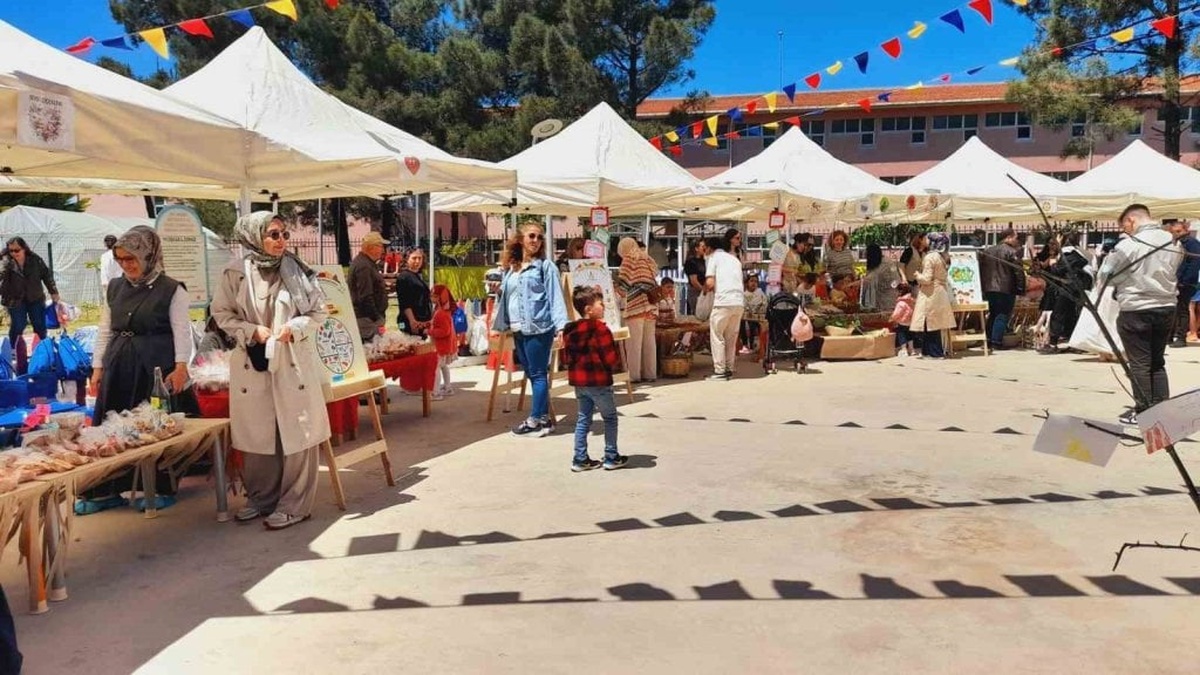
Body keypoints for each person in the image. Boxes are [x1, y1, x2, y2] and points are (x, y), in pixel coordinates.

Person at [212, 212, 331, 531]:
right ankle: (261, 498)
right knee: (258, 433)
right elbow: (221, 314)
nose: (281, 241)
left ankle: (295, 504)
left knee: (298, 431)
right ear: (253, 237)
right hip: (253, 362)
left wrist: (295, 327)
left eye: (284, 234)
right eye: (274, 235)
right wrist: (252, 331)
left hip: (291, 360)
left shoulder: (300, 271)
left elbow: (318, 313)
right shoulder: (235, 273)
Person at [84, 226, 192, 514]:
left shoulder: (172, 289)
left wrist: (181, 366)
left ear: (148, 255)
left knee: (152, 428)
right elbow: (105, 328)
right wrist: (97, 367)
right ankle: (105, 490)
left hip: (154, 367)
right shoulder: (116, 288)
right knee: (110, 427)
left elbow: (182, 331)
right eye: (120, 259)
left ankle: (159, 488)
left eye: (131, 258)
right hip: (118, 364)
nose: (126, 265)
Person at [1098, 205, 1181, 425]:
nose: (1125, 229)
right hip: (1166, 306)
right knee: (1157, 361)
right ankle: (1161, 409)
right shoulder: (1173, 242)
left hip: (1137, 308)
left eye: (1124, 224)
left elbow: (1106, 275)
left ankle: (1143, 411)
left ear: (1132, 220)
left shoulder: (1129, 245)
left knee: (1140, 363)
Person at [493, 222, 569, 437]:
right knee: (530, 372)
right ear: (521, 240)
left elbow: (555, 297)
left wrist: (561, 326)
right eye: (531, 236)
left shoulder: (545, 267)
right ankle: (545, 420)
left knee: (537, 374)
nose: (536, 241)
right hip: (518, 327)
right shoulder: (513, 268)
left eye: (539, 237)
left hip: (539, 327)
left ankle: (535, 420)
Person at [562, 286, 627, 472]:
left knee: (583, 419)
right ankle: (611, 455)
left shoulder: (570, 330)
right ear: (588, 309)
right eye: (600, 303)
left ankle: (580, 458)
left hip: (580, 383)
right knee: (610, 418)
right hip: (599, 382)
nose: (604, 306)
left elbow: (567, 359)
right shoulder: (601, 330)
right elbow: (611, 359)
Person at [0, 236, 59, 348]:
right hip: (14, 300)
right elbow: (1, 273)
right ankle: (14, 349)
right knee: (18, 325)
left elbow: (46, 275)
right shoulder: (6, 261)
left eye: (17, 250)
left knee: (39, 324)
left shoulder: (35, 259)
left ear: (24, 249)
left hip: (35, 297)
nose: (14, 253)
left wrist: (53, 291)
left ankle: (43, 349)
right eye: (11, 250)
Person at [616, 237, 660, 383]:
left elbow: (623, 286)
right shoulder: (647, 258)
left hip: (636, 305)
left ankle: (634, 376)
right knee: (649, 342)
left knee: (634, 344)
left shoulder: (629, 259)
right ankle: (650, 374)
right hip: (652, 304)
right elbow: (655, 275)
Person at [1040, 232, 1091, 354]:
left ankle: (1053, 343)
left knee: (1059, 314)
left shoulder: (1068, 254)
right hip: (1075, 288)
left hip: (1069, 288)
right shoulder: (1077, 253)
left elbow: (1059, 270)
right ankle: (1073, 342)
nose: (1052, 245)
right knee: (1070, 315)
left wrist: (1053, 264)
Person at [979, 229, 1027, 351]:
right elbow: (1019, 272)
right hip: (1006, 288)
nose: (1017, 240)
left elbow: (981, 270)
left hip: (989, 288)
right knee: (1002, 314)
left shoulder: (988, 251)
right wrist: (1021, 289)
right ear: (1008, 237)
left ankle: (989, 340)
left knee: (993, 313)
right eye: (1016, 238)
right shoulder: (1012, 252)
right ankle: (996, 342)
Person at [705, 235, 744, 380]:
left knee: (717, 335)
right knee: (731, 337)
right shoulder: (735, 259)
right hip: (738, 301)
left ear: (709, 248)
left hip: (723, 301)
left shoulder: (713, 258)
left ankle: (719, 370)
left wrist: (704, 292)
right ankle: (729, 367)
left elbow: (709, 283)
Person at [912, 232, 955, 359]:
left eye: (927, 239)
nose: (924, 241)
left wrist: (917, 275)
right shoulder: (943, 256)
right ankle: (928, 351)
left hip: (930, 293)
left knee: (930, 323)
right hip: (940, 292)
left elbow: (926, 279)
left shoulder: (930, 257)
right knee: (934, 323)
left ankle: (934, 352)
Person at [349, 232, 390, 342]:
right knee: (373, 350)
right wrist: (377, 317)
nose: (383, 250)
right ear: (371, 247)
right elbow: (365, 296)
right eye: (380, 246)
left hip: (370, 318)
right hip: (367, 320)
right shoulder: (363, 266)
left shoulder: (367, 263)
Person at [1169, 220, 1200, 347]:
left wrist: (1185, 281)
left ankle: (1181, 337)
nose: (1177, 234)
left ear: (1186, 230)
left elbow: (1194, 263)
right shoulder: (1179, 243)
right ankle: (1170, 337)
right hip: (1178, 281)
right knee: (1175, 310)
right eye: (1174, 232)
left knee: (1183, 310)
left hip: (1186, 283)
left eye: (1179, 231)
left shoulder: (1191, 243)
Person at [428, 284, 457, 400]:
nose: (431, 298)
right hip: (446, 345)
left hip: (441, 345)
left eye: (434, 296)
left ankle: (436, 392)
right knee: (444, 366)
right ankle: (448, 387)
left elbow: (444, 331)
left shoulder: (441, 313)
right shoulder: (443, 311)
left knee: (436, 368)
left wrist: (429, 331)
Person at [395, 248, 432, 337]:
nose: (417, 261)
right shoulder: (404, 277)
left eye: (420, 258)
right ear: (407, 259)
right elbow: (404, 302)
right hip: (408, 321)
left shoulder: (418, 276)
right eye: (414, 258)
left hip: (422, 320)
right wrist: (412, 321)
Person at [859, 244, 902, 314]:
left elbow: (870, 279)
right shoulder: (882, 261)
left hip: (889, 296)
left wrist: (852, 284)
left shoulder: (886, 263)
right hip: (884, 294)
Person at [740, 274, 767, 354]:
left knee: (758, 325)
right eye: (751, 281)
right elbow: (744, 305)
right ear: (747, 283)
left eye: (755, 281)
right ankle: (745, 344)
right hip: (748, 315)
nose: (753, 283)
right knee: (742, 323)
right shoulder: (745, 295)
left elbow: (764, 302)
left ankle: (757, 346)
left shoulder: (760, 292)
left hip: (759, 315)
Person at [683, 240, 709, 315]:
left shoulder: (704, 260)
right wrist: (703, 291)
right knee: (697, 312)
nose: (704, 248)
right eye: (702, 246)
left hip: (704, 289)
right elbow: (694, 281)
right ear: (696, 248)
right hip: (696, 291)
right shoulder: (691, 262)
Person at [891, 283, 916, 357]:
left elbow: (897, 313)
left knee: (902, 336)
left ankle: (904, 349)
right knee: (910, 336)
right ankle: (911, 349)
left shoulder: (901, 302)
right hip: (910, 322)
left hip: (902, 322)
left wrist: (892, 318)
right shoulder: (912, 301)